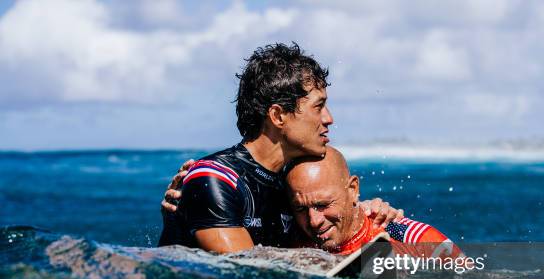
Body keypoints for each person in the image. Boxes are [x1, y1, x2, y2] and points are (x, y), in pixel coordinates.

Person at [158, 43, 402, 253]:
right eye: (318, 107)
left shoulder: (290, 183)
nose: (329, 118)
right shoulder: (214, 179)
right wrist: (322, 261)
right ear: (278, 116)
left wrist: (364, 211)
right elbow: (243, 267)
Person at [285, 146, 463, 257]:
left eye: (323, 205)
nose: (314, 221)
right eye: (300, 208)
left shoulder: (412, 238)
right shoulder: (288, 239)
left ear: (353, 190)